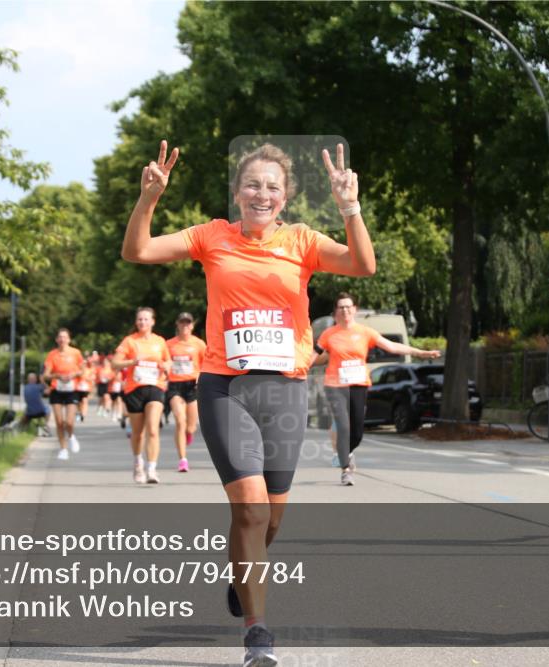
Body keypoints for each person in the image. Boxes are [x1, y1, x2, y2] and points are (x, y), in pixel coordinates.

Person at [122, 140, 375, 666]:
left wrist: (349, 207)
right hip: (225, 387)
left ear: (285, 197)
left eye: (273, 187)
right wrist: (148, 198)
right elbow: (138, 251)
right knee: (251, 510)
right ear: (238, 192)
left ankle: (242, 571)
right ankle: (257, 634)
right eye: (253, 185)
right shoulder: (211, 236)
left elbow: (362, 265)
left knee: (270, 520)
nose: (263, 194)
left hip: (283, 389)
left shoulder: (302, 241)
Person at [310, 292, 440, 485]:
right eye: (341, 307)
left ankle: (347, 452)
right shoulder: (329, 334)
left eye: (348, 307)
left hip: (358, 384)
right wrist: (299, 368)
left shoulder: (365, 332)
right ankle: (346, 470)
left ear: (354, 310)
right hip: (335, 385)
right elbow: (314, 355)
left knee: (357, 430)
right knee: (343, 426)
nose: (345, 310)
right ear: (336, 312)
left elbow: (392, 347)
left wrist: (420, 352)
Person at [112, 307, 172, 484]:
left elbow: (168, 360)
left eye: (146, 319)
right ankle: (138, 462)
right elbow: (115, 363)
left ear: (153, 321)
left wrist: (166, 366)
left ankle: (152, 468)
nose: (142, 323)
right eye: (139, 320)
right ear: (136, 322)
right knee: (137, 434)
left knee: (153, 429)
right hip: (134, 389)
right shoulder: (130, 341)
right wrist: (132, 361)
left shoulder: (160, 341)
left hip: (155, 386)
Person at [166, 312, 207, 472]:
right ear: (177, 324)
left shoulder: (199, 344)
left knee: (190, 427)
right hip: (175, 385)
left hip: (192, 385)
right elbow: (164, 360)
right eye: (182, 322)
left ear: (192, 325)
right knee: (180, 420)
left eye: (188, 323)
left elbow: (207, 363)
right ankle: (183, 459)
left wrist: (201, 379)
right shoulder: (169, 344)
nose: (185, 325)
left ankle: (187, 435)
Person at [43, 329, 85, 461]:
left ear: (69, 339)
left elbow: (83, 370)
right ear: (56, 340)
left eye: (65, 337)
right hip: (57, 389)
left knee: (69, 422)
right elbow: (46, 375)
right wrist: (57, 376)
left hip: (72, 389)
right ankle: (63, 449)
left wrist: (73, 374)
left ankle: (71, 437)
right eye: (60, 337)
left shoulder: (76, 353)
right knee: (59, 421)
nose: (62, 340)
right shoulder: (52, 355)